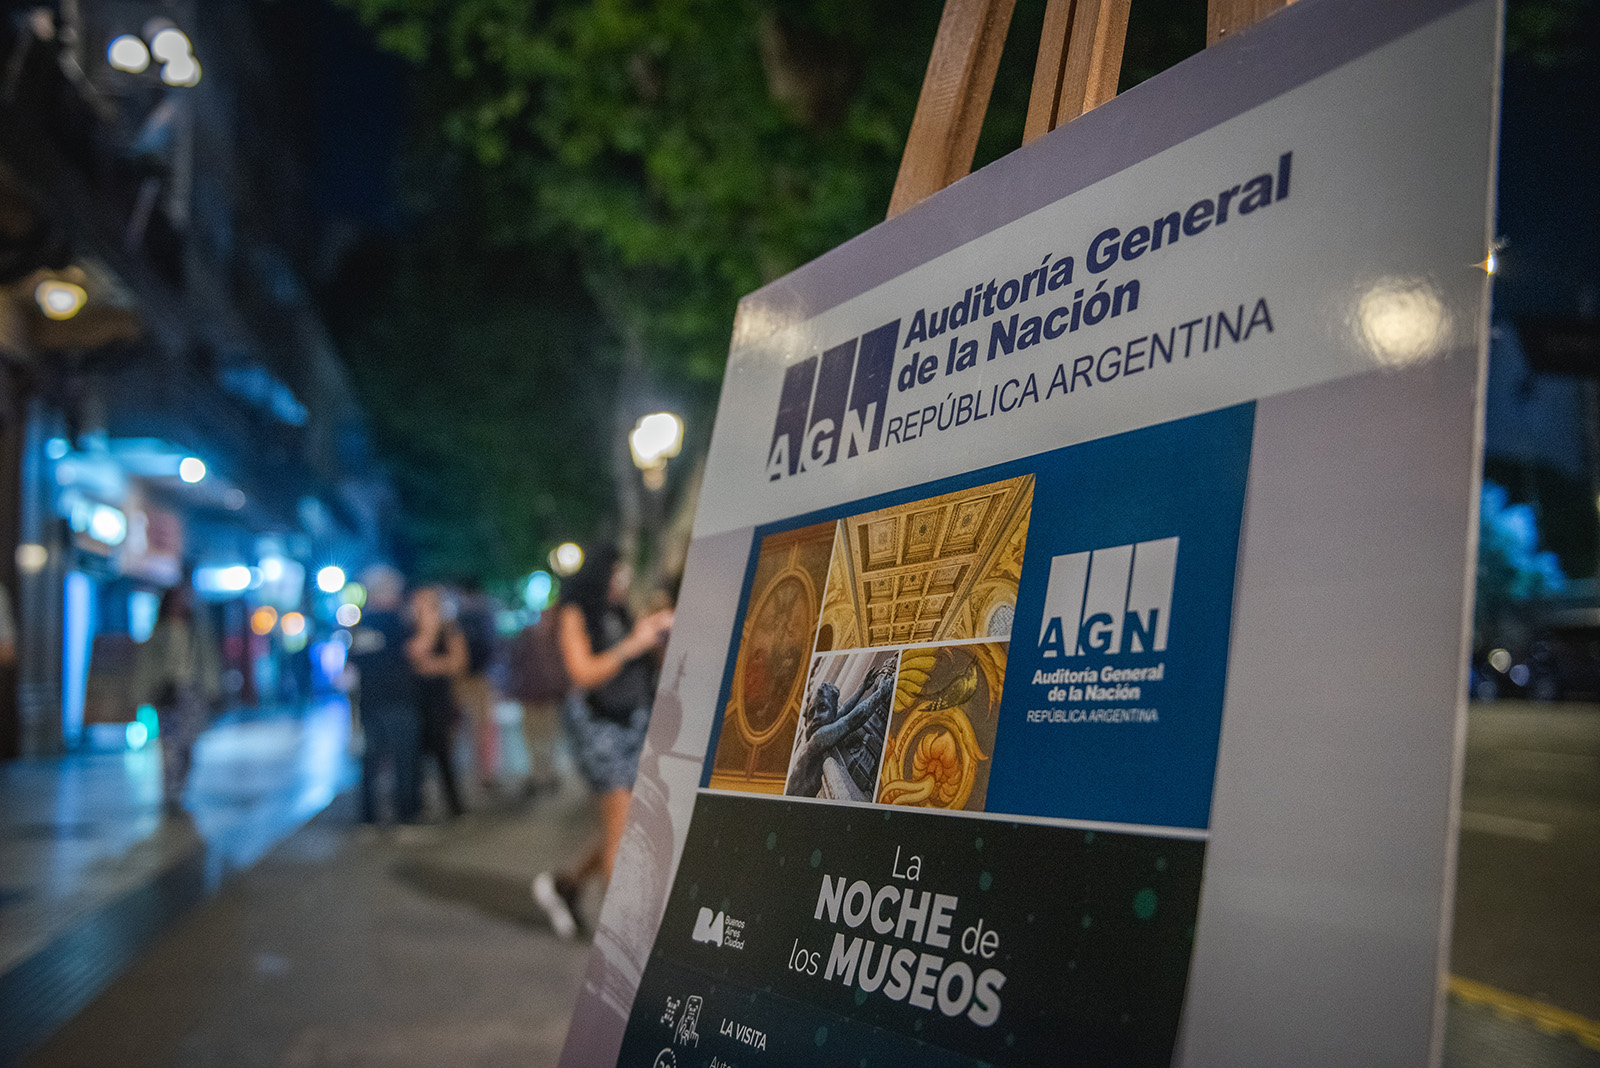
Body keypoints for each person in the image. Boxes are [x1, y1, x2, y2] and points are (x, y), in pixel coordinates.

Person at [532, 545, 672, 938]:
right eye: (618, 573)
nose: (623, 580)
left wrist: (658, 635)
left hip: (634, 721)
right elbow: (583, 672)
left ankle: (566, 885)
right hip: (600, 726)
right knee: (624, 828)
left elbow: (640, 666)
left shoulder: (621, 612)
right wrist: (636, 643)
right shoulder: (576, 614)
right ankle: (625, 937)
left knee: (626, 823)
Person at [133, 582, 222, 814]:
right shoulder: (159, 630)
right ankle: (170, 789)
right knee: (168, 741)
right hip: (168, 691)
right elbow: (147, 664)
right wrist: (145, 692)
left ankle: (181, 783)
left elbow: (208, 659)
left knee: (188, 740)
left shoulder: (197, 628)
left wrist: (211, 688)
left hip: (192, 691)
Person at [346, 565, 422, 827]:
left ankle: (368, 817)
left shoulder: (360, 626)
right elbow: (417, 652)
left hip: (369, 702)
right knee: (404, 759)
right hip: (398, 700)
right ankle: (407, 815)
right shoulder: (398, 623)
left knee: (370, 762)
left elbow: (350, 668)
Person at [407, 585, 468, 820]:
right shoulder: (409, 630)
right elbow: (415, 656)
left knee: (445, 754)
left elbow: (458, 662)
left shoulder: (449, 629)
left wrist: (433, 665)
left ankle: (454, 805)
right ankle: (418, 806)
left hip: (440, 699)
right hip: (413, 700)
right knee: (416, 755)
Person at [452, 580, 502, 790]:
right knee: (480, 727)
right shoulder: (482, 616)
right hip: (475, 677)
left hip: (471, 678)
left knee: (477, 727)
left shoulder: (464, 619)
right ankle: (483, 773)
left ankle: (481, 773)